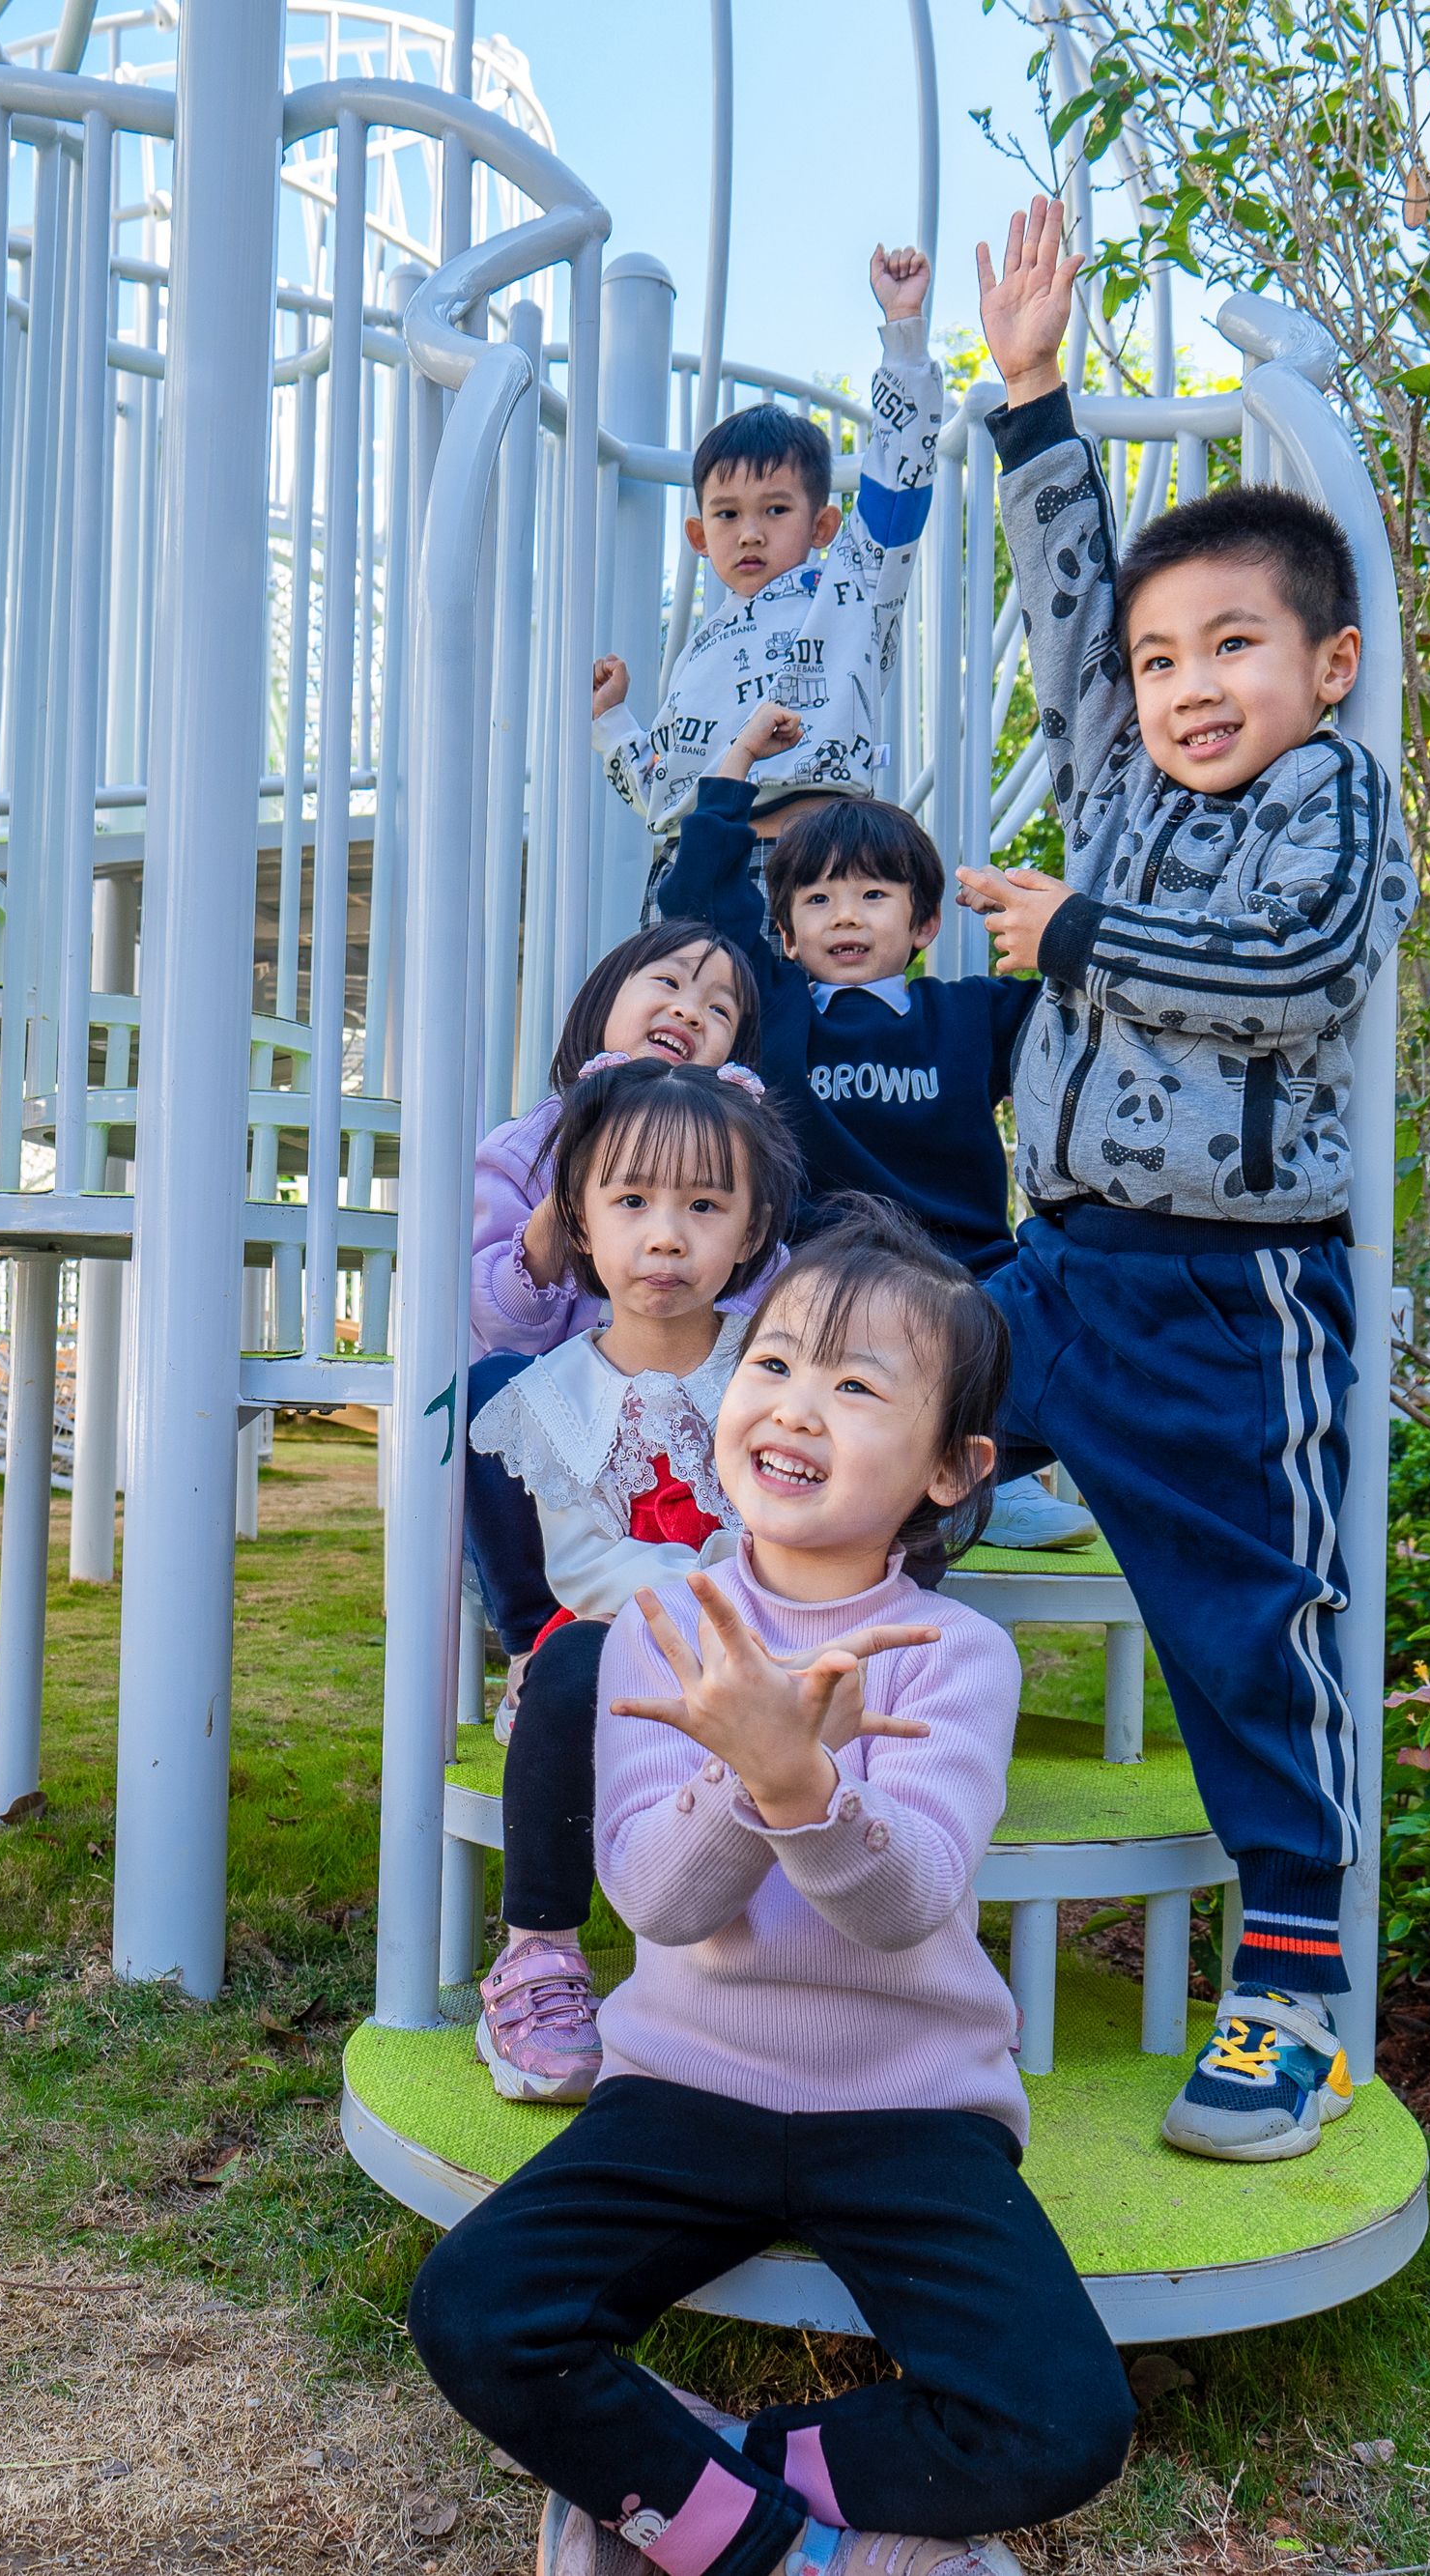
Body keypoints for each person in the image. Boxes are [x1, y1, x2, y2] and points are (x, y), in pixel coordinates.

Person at [410, 1204, 1130, 2576]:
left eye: (860, 1386)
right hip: (686, 2086)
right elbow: (659, 1900)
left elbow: (905, 1897)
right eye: (776, 1361)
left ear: (950, 1466)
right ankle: (780, 2553)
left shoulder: (953, 1652)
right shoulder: (660, 1630)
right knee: (477, 2308)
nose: (798, 1406)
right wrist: (753, 1772)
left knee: (1064, 2418)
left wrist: (805, 1783)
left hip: (908, 2100)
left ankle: (696, 2470)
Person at [952, 195, 1418, 2164]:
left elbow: (1288, 981)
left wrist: (1068, 944)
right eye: (1162, 657)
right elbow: (1064, 620)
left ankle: (1292, 1986)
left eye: (1230, 645)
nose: (1180, 683)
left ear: (1324, 663)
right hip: (1055, 1272)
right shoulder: (1123, 788)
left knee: (1243, 1630)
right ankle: (800, 1862)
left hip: (1234, 1308)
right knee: (849, 1451)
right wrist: (1032, 398)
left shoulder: (1334, 804)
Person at [652, 702, 1098, 1552]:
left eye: (873, 895)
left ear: (924, 922)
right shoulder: (774, 1008)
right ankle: (876, 1491)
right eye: (817, 899)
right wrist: (739, 759)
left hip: (962, 1267)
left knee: (1049, 1327)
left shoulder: (971, 1016)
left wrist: (1054, 928)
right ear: (784, 932)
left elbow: (1079, 1011)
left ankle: (984, 1479)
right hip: (818, 1268)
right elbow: (701, 902)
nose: (845, 916)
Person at [463, 1059, 801, 2106]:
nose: (666, 1236)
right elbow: (512, 1538)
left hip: (758, 1627)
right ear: (579, 1220)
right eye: (632, 1202)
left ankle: (797, 1976)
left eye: (704, 1205)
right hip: (605, 1647)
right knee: (567, 1674)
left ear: (748, 1233)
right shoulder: (538, 1394)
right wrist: (530, 1644)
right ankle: (537, 1956)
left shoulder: (775, 1367)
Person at [462, 922, 769, 1656]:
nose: (692, 1011)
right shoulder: (526, 1147)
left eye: (719, 1009)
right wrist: (575, 1176)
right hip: (571, 1422)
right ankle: (537, 1632)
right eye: (667, 983)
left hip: (687, 1417)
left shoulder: (730, 1151)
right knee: (489, 1392)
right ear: (603, 1002)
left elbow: (771, 1298)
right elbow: (497, 1316)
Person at [590, 247, 946, 863]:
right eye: (728, 514)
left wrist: (904, 336)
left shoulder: (848, 594)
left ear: (824, 526)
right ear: (700, 538)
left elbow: (899, 483)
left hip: (807, 867)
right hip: (691, 870)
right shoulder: (700, 657)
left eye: (776, 510)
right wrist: (612, 721)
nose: (749, 533)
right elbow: (662, 791)